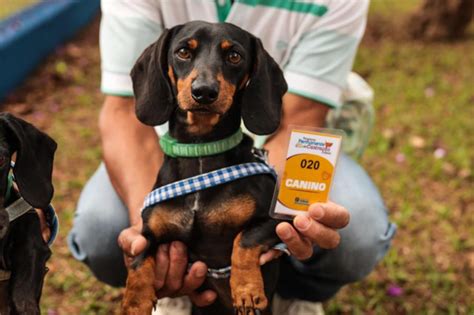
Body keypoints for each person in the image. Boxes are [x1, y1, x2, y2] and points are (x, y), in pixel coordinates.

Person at [68, 0, 396, 313]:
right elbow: (123, 111)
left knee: (359, 233)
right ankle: (174, 289)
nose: (205, 84)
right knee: (100, 231)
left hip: (268, 150)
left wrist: (287, 216)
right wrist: (151, 229)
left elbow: (302, 117)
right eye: (185, 53)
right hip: (158, 153)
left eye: (233, 58)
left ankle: (294, 294)